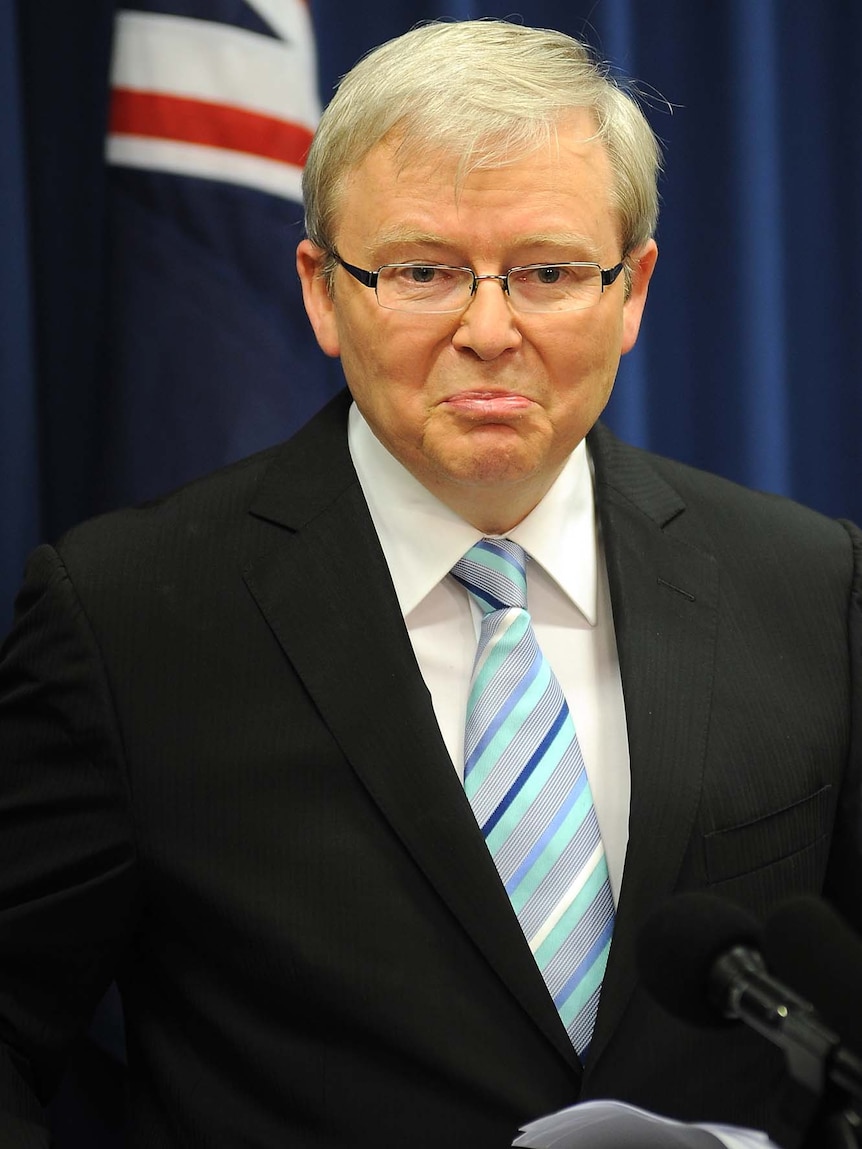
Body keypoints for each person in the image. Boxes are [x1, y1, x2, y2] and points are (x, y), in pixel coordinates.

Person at [0, 18, 859, 1149]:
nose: (489, 331)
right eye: (422, 272)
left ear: (633, 289)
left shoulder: (810, 586)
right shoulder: (126, 615)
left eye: (548, 273)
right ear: (321, 290)